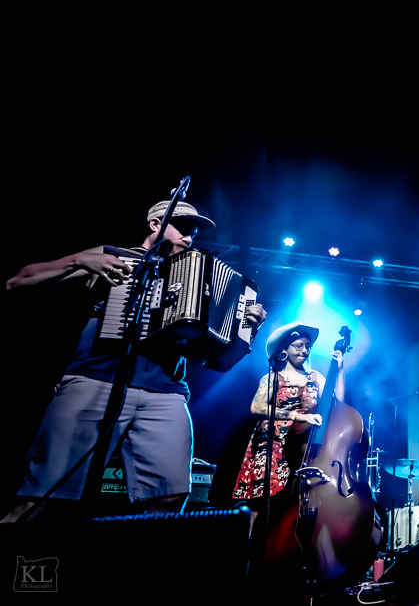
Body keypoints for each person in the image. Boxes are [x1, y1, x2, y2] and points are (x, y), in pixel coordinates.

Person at [2, 199, 267, 523]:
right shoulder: (116, 257)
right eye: (182, 227)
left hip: (165, 392)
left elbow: (217, 360)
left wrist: (245, 327)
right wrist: (80, 260)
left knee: (171, 496)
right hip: (96, 380)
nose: (189, 236)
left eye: (193, 231)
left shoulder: (202, 278)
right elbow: (19, 281)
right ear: (155, 224)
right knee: (47, 497)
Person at [232, 322, 346, 534]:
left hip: (303, 448)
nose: (304, 350)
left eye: (307, 346)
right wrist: (297, 416)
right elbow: (257, 407)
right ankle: (249, 550)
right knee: (260, 503)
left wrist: (338, 370)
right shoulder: (272, 377)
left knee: (294, 502)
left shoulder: (316, 378)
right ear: (284, 349)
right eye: (298, 345)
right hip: (272, 445)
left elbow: (338, 404)